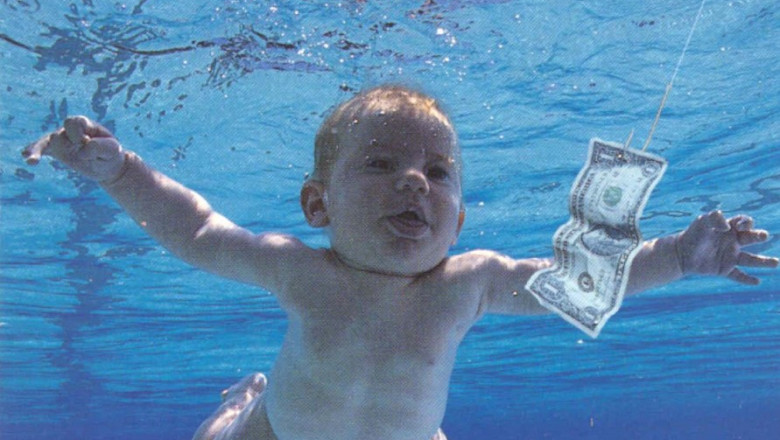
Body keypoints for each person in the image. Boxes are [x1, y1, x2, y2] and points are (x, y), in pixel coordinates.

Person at [22, 85, 777, 440]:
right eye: (382, 164)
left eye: (439, 173)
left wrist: (677, 255)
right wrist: (119, 172)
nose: (415, 182)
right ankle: (243, 398)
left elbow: (579, 282)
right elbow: (196, 230)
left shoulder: (471, 282)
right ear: (317, 205)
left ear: (459, 219)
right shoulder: (299, 269)